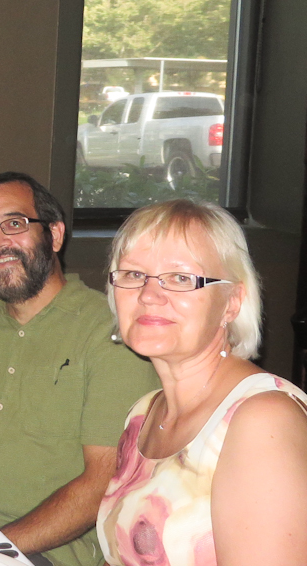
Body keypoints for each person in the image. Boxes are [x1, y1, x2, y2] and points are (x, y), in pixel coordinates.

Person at [0, 172, 158, 566]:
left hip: (42, 549)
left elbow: (101, 483)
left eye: (14, 223)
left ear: (54, 235)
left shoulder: (110, 334)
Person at [96, 200, 307, 565]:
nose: (148, 294)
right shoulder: (144, 413)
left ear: (232, 303)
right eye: (133, 274)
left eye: (180, 278)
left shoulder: (263, 421)